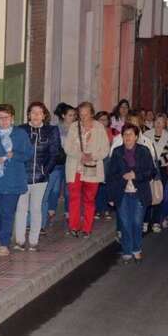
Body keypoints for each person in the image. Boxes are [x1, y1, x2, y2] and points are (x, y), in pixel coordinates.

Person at [0, 104, 33, 256]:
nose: (3, 121)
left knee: (8, 212)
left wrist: (14, 155)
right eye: (0, 118)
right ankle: (1, 237)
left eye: (6, 117)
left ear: (12, 118)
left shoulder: (20, 134)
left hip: (13, 180)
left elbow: (28, 154)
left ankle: (4, 243)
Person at [107, 124, 157, 264]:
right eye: (125, 134)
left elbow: (151, 171)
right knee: (125, 223)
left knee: (136, 222)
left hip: (139, 192)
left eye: (130, 134)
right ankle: (127, 250)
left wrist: (136, 175)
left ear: (136, 137)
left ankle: (137, 249)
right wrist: (111, 195)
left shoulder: (144, 151)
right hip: (121, 192)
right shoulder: (117, 152)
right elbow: (111, 174)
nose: (128, 137)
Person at [16, 102, 59, 251]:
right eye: (33, 112)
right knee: (21, 208)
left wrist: (45, 171)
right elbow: (16, 151)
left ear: (44, 115)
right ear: (28, 114)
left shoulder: (51, 131)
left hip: (41, 177)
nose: (36, 115)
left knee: (36, 208)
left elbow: (54, 154)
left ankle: (34, 241)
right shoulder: (21, 130)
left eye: (39, 112)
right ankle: (20, 240)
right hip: (22, 176)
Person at [64, 101, 110, 237]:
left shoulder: (99, 127)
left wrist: (92, 156)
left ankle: (87, 228)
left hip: (92, 167)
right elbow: (67, 147)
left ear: (92, 114)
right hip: (75, 168)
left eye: (86, 114)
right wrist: (80, 155)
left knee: (89, 199)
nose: (83, 117)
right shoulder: (74, 127)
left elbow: (105, 149)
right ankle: (74, 226)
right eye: (81, 114)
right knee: (74, 198)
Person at [42, 103, 76, 229]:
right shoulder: (56, 128)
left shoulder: (76, 129)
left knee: (68, 189)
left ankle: (68, 212)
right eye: (70, 115)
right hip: (57, 163)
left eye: (74, 115)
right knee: (54, 189)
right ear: (63, 115)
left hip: (71, 162)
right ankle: (51, 211)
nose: (73, 117)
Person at [144, 114, 168, 231]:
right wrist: (150, 163)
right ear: (153, 122)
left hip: (162, 168)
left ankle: (156, 221)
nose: (159, 124)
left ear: (165, 124)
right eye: (157, 121)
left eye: (161, 122)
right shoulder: (146, 134)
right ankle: (145, 220)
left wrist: (157, 163)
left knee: (159, 194)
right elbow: (143, 150)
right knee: (148, 193)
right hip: (147, 167)